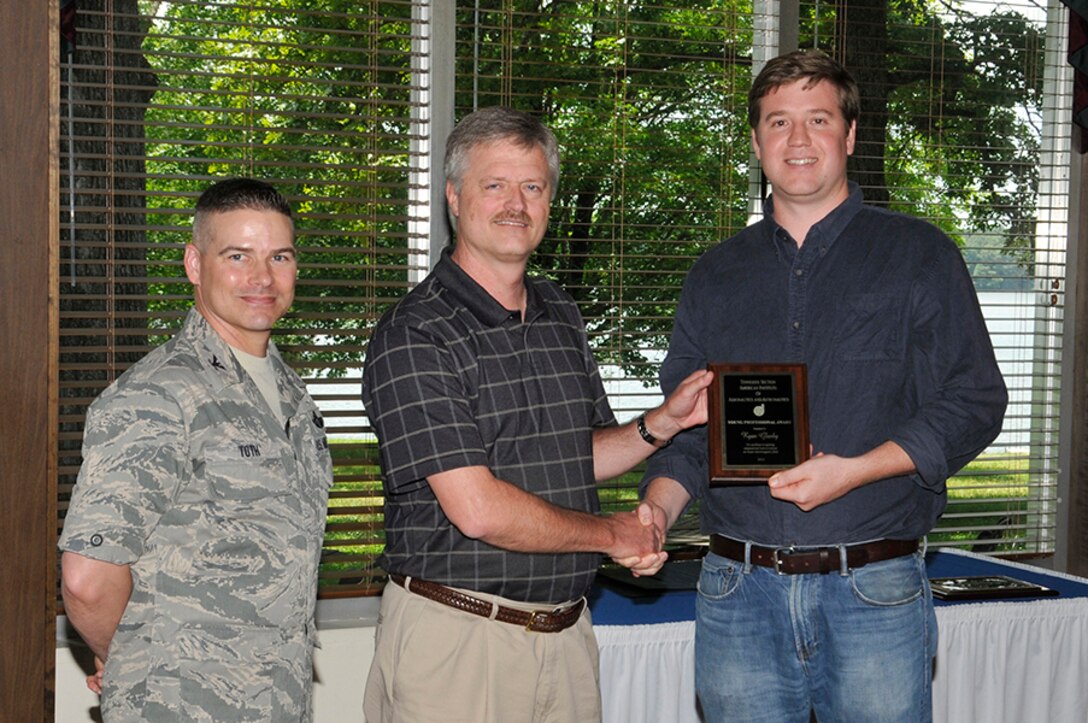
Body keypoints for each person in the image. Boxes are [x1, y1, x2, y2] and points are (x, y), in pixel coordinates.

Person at [636, 50, 1008, 722]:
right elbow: (688, 429)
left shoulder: (921, 255)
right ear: (756, 143)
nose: (798, 140)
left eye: (818, 119)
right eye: (779, 122)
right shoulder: (714, 274)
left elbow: (976, 399)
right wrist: (657, 511)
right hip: (736, 592)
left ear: (851, 135)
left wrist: (858, 471)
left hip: (873, 592)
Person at [361, 106, 712, 723]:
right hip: (459, 642)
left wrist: (665, 422)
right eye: (493, 185)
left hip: (566, 637)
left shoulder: (560, 312)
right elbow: (477, 510)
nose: (514, 204)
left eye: (532, 187)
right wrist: (614, 536)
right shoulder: (415, 333)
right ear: (453, 197)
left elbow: (576, 458)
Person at [59, 178, 333, 722]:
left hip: (277, 702)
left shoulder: (290, 395)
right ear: (194, 264)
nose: (262, 277)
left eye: (279, 256)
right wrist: (131, 658)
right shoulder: (157, 396)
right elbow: (87, 579)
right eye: (238, 256)